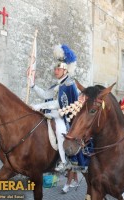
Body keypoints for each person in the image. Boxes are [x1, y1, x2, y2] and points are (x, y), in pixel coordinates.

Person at [30, 44, 79, 172]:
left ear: (65, 70)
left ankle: (64, 161)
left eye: (58, 69)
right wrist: (33, 86)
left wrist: (39, 106)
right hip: (54, 112)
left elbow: (59, 104)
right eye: (55, 69)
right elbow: (46, 95)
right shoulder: (59, 84)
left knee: (60, 130)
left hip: (65, 116)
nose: (55, 71)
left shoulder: (69, 84)